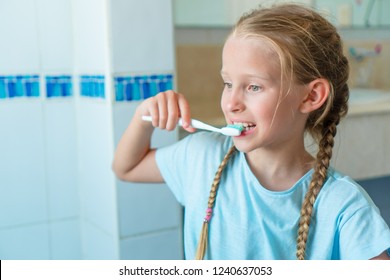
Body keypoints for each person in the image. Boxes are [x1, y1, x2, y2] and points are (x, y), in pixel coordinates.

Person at [112, 3, 390, 260]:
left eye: (253, 87)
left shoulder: (344, 206)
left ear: (311, 96)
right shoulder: (201, 157)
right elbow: (126, 167)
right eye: (227, 83)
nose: (231, 103)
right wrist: (143, 117)